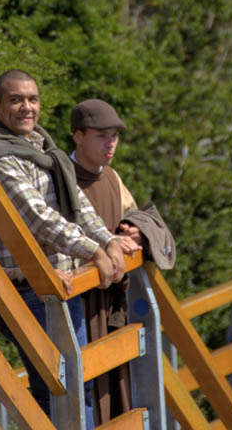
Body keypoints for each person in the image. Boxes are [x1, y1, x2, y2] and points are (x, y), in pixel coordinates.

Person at [0, 69, 130, 428]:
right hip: (30, 288)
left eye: (32, 99)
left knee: (69, 385)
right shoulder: (0, 155)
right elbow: (39, 216)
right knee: (64, 387)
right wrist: (93, 252)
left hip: (56, 284)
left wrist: (108, 241)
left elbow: (79, 205)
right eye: (15, 100)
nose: (26, 107)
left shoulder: (43, 148)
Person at [69, 98, 143, 426]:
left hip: (110, 300)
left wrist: (134, 234)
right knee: (81, 386)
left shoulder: (112, 178)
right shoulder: (61, 176)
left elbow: (134, 217)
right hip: (77, 299)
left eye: (114, 135)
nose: (110, 143)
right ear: (78, 136)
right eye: (101, 135)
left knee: (115, 389)